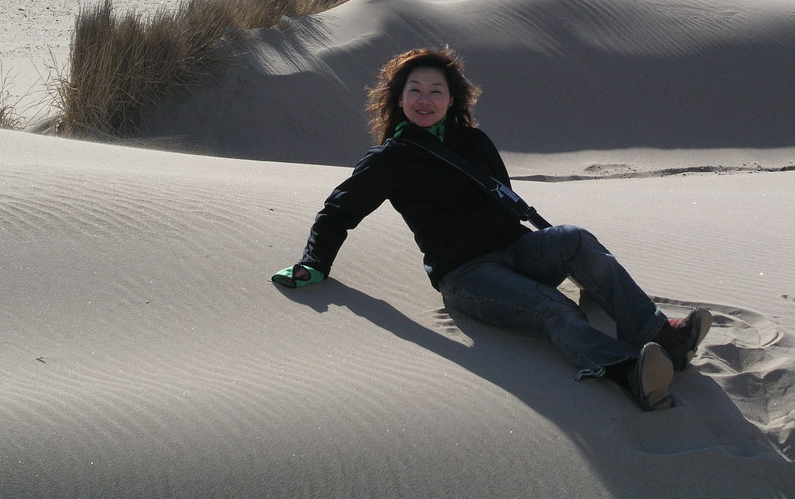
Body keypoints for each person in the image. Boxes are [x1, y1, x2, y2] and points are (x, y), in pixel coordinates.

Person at [272, 47, 711, 411]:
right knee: (553, 307)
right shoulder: (390, 159)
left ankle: (660, 336)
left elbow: (501, 198)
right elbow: (338, 210)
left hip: (518, 253)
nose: (426, 99)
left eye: (436, 91)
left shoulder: (473, 142)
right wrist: (314, 263)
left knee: (575, 237)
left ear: (452, 98)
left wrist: (538, 247)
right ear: (399, 99)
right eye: (415, 91)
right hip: (467, 277)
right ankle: (626, 370)